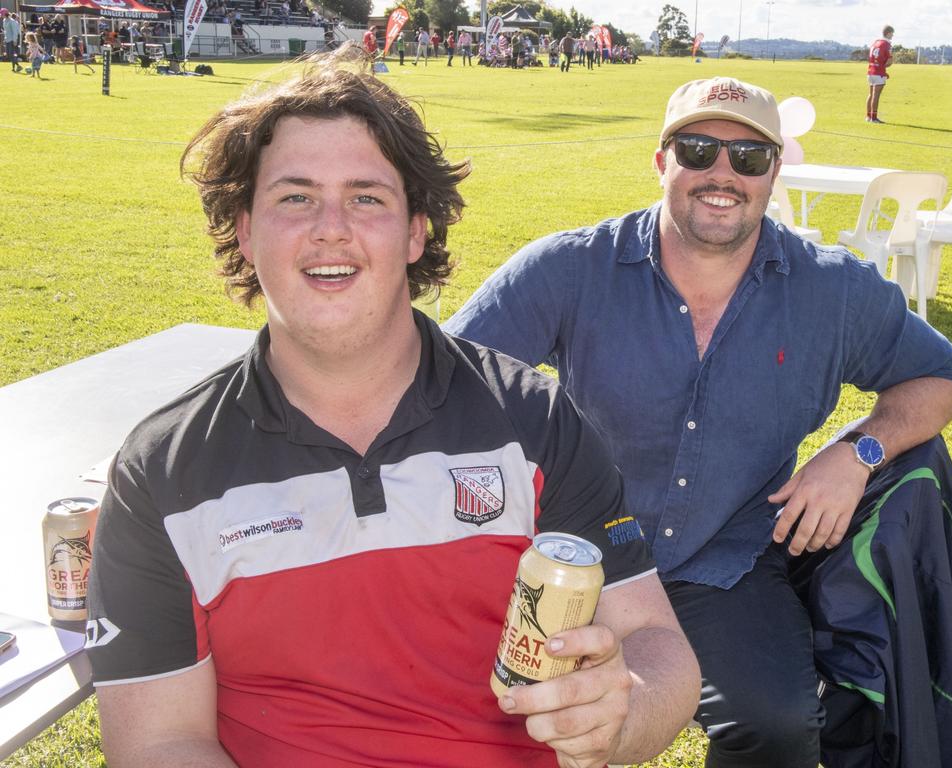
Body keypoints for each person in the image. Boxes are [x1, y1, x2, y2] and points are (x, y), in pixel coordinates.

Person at [85, 46, 700, 768]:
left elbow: (659, 650)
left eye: (367, 197)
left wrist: (618, 715)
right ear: (246, 231)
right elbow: (159, 742)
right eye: (294, 196)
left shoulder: (535, 422)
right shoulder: (163, 471)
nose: (330, 227)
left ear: (416, 232)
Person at [445, 76, 952, 767]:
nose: (723, 174)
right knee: (501, 714)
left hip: (723, 559)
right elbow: (448, 382)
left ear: (774, 174)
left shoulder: (831, 290)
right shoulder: (571, 268)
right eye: (698, 150)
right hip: (578, 557)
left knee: (780, 723)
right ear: (662, 162)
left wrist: (858, 450)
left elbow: (941, 377)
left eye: (749, 158)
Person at [866, 25, 894, 123]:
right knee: (876, 95)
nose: (892, 36)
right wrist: (884, 67)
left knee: (870, 94)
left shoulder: (875, 42)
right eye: (892, 34)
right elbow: (889, 61)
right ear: (888, 33)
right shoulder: (887, 44)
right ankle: (874, 118)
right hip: (879, 72)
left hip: (870, 71)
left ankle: (868, 116)